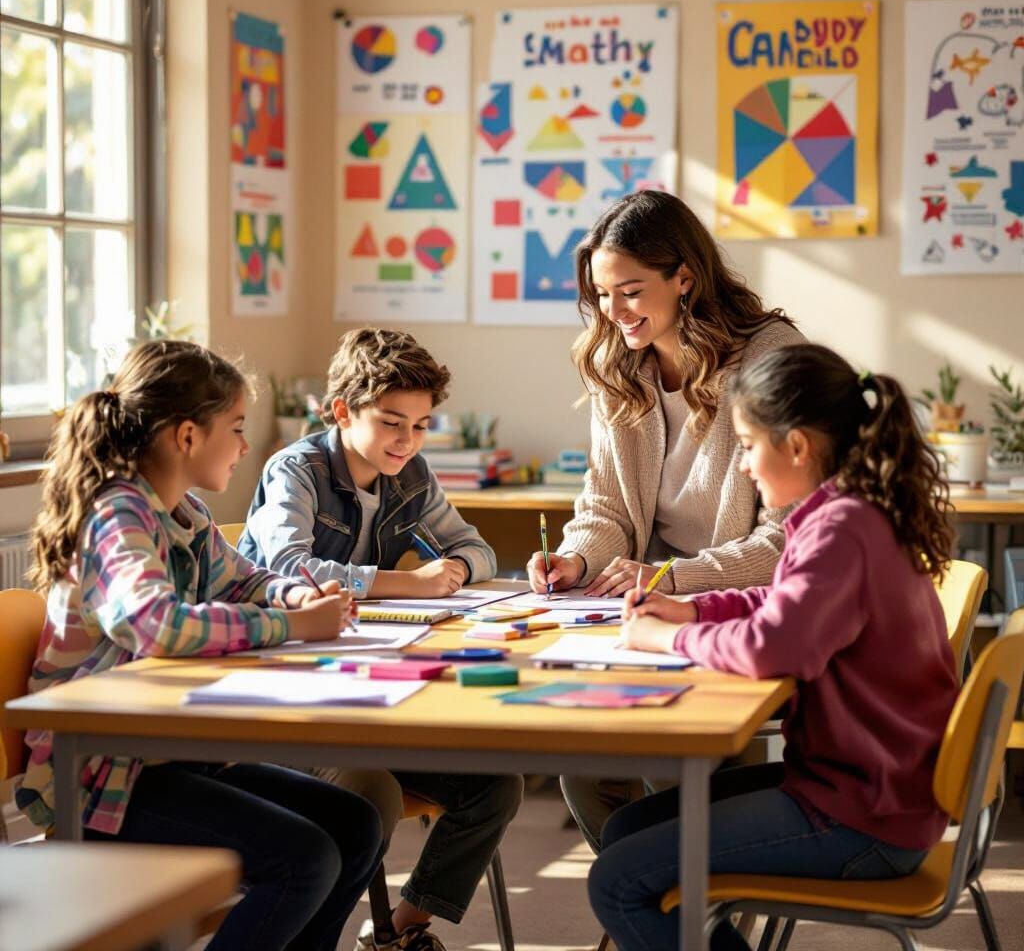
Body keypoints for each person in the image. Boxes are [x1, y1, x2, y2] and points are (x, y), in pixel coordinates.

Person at [588, 343, 960, 951]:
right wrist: (694, 608)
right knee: (628, 828)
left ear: (796, 445)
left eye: (746, 445)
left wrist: (666, 636)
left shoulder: (841, 529)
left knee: (618, 881)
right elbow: (781, 605)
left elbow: (776, 647)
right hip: (865, 787)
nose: (742, 467)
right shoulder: (843, 513)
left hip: (863, 814)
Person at [17, 340, 382, 951]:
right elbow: (157, 625)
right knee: (305, 858)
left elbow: (242, 578)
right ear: (187, 436)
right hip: (98, 777)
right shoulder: (117, 516)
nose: (245, 446)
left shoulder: (181, 510)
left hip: (163, 756)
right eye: (236, 428)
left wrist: (295, 597)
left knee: (354, 824)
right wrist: (294, 628)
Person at [525, 190, 801, 850]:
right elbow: (607, 507)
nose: (611, 313)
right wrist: (578, 559)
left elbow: (788, 538)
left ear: (684, 278)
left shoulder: (769, 358)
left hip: (734, 607)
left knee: (678, 779)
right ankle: (657, 910)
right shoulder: (617, 364)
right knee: (584, 775)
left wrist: (674, 576)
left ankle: (664, 913)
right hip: (651, 607)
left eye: (629, 291)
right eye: (599, 295)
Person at [240, 327, 522, 951]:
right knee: (371, 793)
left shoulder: (412, 476)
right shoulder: (298, 470)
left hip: (369, 686)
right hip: (290, 700)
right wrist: (407, 584)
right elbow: (288, 568)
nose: (407, 441)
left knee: (496, 784)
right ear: (342, 410)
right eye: (393, 422)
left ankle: (398, 931)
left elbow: (476, 548)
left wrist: (453, 570)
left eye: (421, 426)